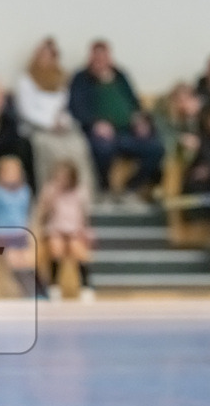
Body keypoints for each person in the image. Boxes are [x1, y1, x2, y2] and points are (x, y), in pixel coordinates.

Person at [68, 40, 164, 195]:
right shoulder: (81, 79)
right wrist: (96, 124)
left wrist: (140, 121)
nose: (100, 62)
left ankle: (130, 188)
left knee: (155, 148)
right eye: (96, 58)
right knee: (103, 149)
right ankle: (104, 189)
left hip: (128, 132)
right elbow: (77, 108)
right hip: (99, 134)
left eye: (103, 57)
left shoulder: (120, 76)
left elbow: (134, 104)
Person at [15, 37, 96, 194]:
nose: (46, 60)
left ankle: (83, 194)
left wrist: (63, 122)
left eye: (50, 56)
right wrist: (49, 124)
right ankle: (50, 194)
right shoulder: (26, 80)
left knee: (79, 146)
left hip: (61, 128)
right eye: (42, 56)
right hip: (38, 129)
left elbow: (66, 108)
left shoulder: (62, 79)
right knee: (52, 150)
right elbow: (26, 111)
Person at [0, 155, 39, 297]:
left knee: (29, 260)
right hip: (3, 235)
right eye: (8, 172)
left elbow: (28, 213)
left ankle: (34, 290)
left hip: (21, 235)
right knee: (14, 260)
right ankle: (22, 292)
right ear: (0, 174)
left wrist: (32, 232)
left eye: (15, 172)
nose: (12, 175)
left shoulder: (25, 191)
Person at [35, 160, 94, 301]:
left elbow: (84, 215)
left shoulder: (80, 191)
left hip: (74, 230)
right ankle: (54, 286)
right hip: (55, 228)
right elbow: (43, 214)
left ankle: (86, 286)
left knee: (77, 248)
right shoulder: (50, 190)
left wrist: (85, 232)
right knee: (56, 248)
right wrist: (51, 198)